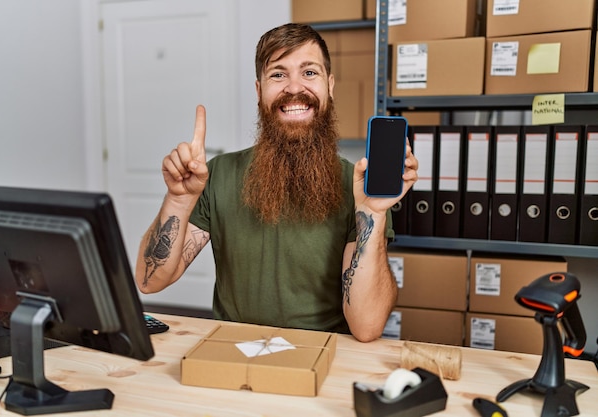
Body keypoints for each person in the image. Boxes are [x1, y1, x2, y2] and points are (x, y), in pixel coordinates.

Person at [135, 23, 418, 342]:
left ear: (330, 85)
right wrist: (178, 200)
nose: (294, 88)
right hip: (233, 348)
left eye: (309, 72)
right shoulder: (218, 175)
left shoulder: (360, 187)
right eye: (278, 74)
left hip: (324, 353)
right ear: (259, 90)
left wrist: (374, 214)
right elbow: (150, 282)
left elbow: (367, 327)